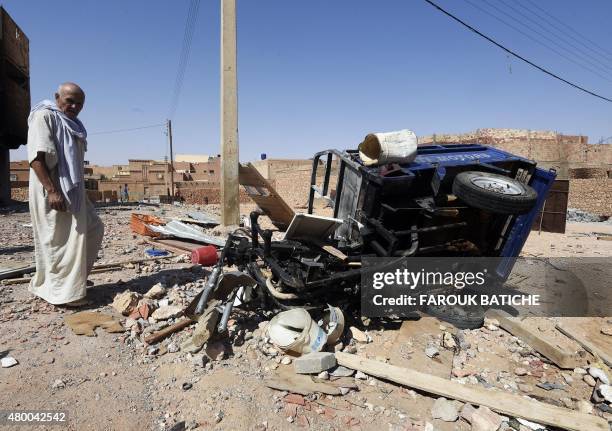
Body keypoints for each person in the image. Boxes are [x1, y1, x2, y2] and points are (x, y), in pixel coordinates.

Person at [27, 82, 104, 306]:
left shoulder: (73, 124)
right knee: (59, 242)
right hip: (53, 190)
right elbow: (36, 159)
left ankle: (74, 281)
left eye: (79, 103)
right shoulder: (44, 117)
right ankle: (64, 294)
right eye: (69, 101)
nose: (74, 106)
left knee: (92, 229)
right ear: (57, 97)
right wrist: (52, 191)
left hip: (73, 191)